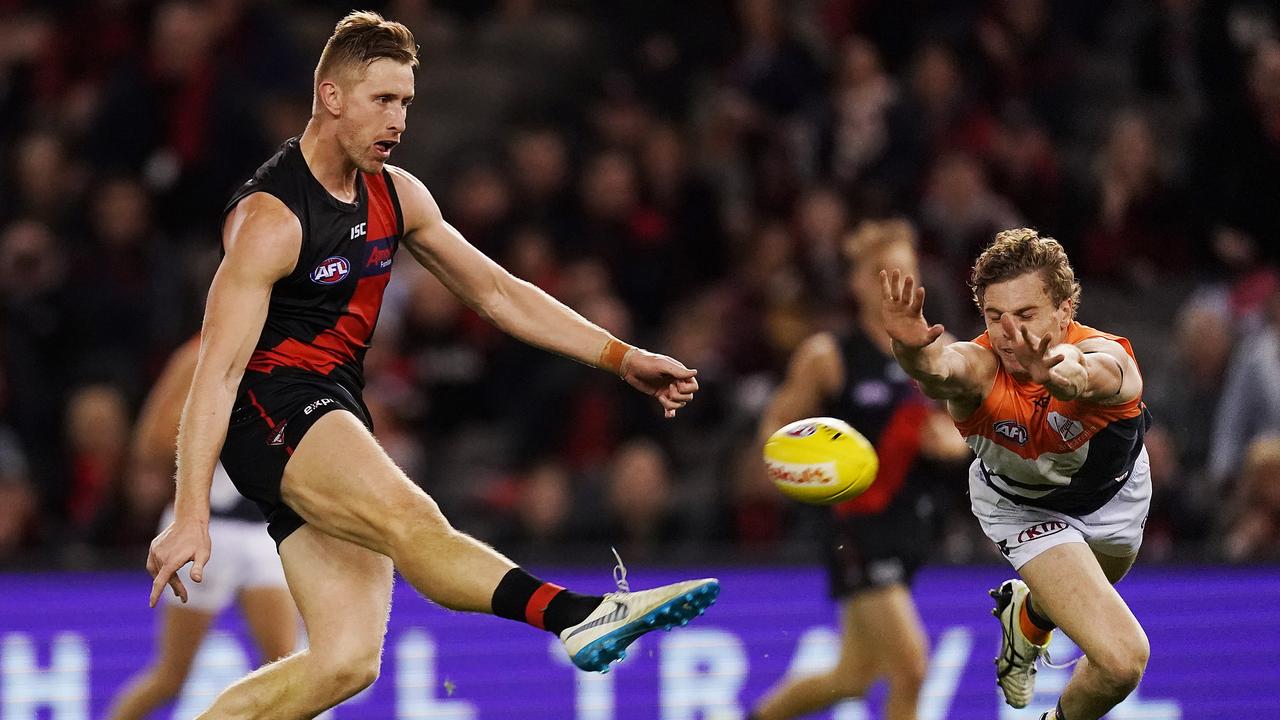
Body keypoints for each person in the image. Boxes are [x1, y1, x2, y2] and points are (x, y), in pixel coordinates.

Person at [145, 12, 718, 718]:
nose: (399, 120)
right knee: (413, 519)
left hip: (331, 409)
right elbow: (218, 373)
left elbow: (499, 293)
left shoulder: (399, 195)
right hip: (273, 410)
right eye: (383, 100)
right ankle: (580, 615)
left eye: (407, 103)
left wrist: (621, 356)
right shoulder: (272, 219)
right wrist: (191, 512)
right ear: (330, 95)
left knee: (344, 664)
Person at [881, 228, 1152, 720]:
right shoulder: (980, 369)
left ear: (1065, 310)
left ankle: (1026, 616)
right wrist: (910, 352)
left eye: (1025, 315)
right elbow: (939, 367)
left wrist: (1059, 374)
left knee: (1092, 594)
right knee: (1121, 661)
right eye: (994, 316)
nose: (1009, 332)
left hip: (1116, 498)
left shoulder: (1109, 356)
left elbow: (1087, 372)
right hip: (1020, 507)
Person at [749, 219, 968, 720]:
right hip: (855, 527)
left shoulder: (940, 351)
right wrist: (795, 467)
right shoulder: (829, 356)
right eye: (880, 273)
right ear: (857, 283)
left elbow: (969, 431)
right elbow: (776, 425)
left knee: (852, 676)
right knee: (912, 666)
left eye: (904, 273)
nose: (893, 283)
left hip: (912, 524)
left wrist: (951, 444)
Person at [107, 337, 297, 719]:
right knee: (172, 676)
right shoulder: (200, 353)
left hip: (263, 529)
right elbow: (152, 443)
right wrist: (230, 420)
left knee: (288, 670)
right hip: (206, 528)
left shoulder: (288, 351)